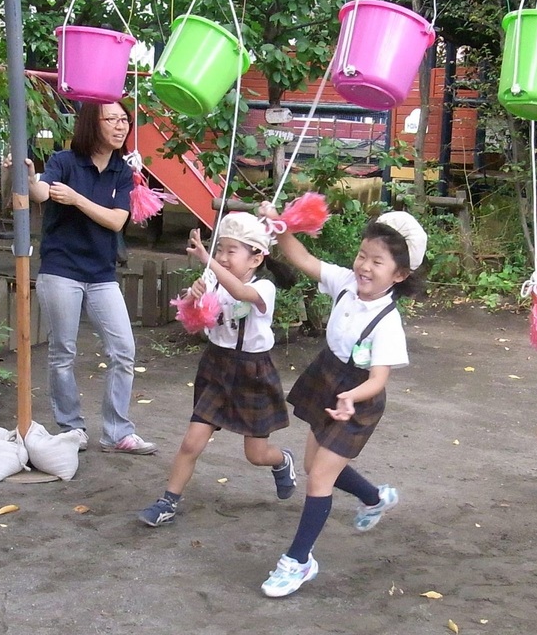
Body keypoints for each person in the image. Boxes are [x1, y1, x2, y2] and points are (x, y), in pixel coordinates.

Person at [255, 204, 427, 598]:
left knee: (319, 477)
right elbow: (302, 258)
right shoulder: (346, 282)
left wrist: (351, 396)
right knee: (314, 465)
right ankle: (374, 498)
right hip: (328, 378)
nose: (364, 266)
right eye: (363, 255)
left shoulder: (388, 322)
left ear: (399, 275)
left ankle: (298, 561)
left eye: (377, 262)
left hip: (358, 399)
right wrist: (279, 225)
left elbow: (378, 379)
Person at [138, 212, 297, 527]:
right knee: (191, 441)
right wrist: (192, 298)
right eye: (219, 249)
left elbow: (241, 293)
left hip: (253, 371)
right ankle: (168, 501)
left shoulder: (264, 287)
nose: (222, 257)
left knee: (256, 454)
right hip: (217, 366)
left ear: (256, 258)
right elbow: (192, 320)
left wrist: (207, 260)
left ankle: (282, 461)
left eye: (230, 251)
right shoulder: (213, 280)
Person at [17, 100, 156, 455]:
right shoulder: (65, 161)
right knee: (63, 352)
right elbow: (42, 192)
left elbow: (117, 221)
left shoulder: (122, 170)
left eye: (124, 119)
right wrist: (30, 178)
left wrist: (76, 198)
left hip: (102, 273)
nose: (121, 126)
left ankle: (117, 432)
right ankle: (72, 428)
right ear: (92, 123)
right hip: (61, 270)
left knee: (124, 350)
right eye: (112, 119)